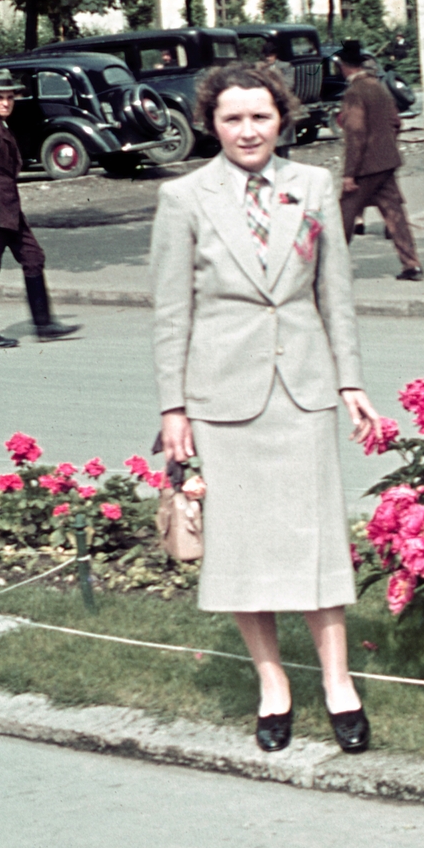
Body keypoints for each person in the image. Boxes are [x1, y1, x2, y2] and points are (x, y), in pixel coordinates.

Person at [150, 63, 383, 755]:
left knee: (313, 544)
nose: (247, 130)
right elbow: (171, 311)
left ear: (282, 118)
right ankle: (273, 684)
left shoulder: (311, 186)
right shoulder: (183, 198)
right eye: (232, 118)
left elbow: (334, 293)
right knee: (243, 549)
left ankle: (340, 684)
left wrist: (350, 382)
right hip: (222, 397)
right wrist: (174, 406)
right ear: (210, 124)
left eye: (260, 116)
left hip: (303, 392)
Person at [0, 67, 81, 349]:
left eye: (9, 97)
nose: (5, 103)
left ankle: (44, 324)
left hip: (8, 211)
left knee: (33, 258)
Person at [336, 41, 422, 281]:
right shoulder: (379, 86)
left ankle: (330, 266)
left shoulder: (354, 93)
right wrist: (386, 145)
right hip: (387, 162)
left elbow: (355, 134)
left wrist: (349, 173)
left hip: (365, 167)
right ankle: (412, 265)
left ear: (344, 67)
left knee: (344, 214)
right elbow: (396, 122)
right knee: (395, 215)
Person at [257, 39, 296, 160]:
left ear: (276, 55)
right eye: (266, 55)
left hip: (282, 105)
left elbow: (289, 84)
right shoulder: (261, 68)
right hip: (266, 105)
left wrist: (273, 87)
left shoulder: (285, 67)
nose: (268, 58)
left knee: (283, 145)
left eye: (270, 55)